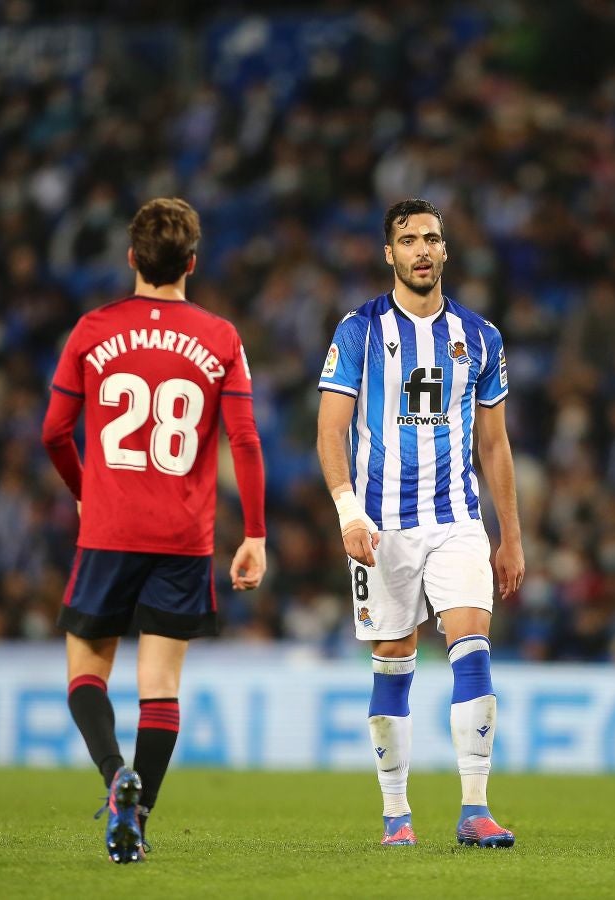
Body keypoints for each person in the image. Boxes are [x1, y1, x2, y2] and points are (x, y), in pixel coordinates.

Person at [42, 198, 267, 863]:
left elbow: (53, 433)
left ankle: (117, 778)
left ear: (132, 259)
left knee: (87, 672)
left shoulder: (92, 329)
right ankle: (136, 818)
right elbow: (245, 440)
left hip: (108, 532)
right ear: (193, 263)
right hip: (182, 537)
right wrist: (253, 533)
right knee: (160, 686)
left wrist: (88, 492)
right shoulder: (221, 337)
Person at [316, 198, 525, 848]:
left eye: (432, 238)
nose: (422, 250)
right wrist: (348, 510)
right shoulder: (359, 331)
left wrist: (510, 533)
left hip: (457, 518)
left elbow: (494, 444)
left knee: (472, 647)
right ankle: (396, 816)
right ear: (389, 253)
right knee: (393, 662)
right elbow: (331, 429)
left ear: (445, 250)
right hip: (381, 527)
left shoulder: (480, 336)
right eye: (408, 240)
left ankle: (474, 809)